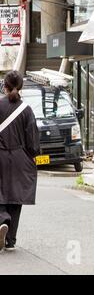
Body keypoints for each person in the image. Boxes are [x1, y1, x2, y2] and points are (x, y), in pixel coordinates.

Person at [0, 71, 40, 252]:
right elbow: (32, 143)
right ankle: (10, 240)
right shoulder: (27, 110)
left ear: (5, 86)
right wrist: (33, 154)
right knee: (15, 197)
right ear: (20, 87)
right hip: (19, 158)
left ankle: (2, 220)